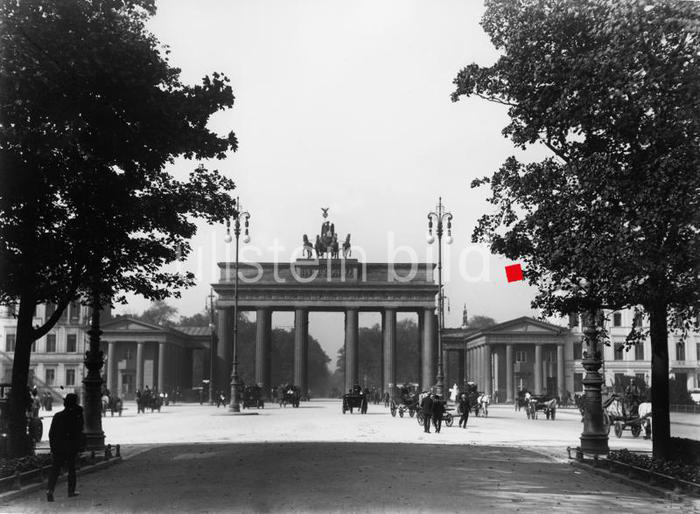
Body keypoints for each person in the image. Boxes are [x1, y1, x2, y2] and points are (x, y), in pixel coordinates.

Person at [46, 394, 84, 502]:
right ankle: (71, 491)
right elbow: (79, 430)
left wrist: (53, 447)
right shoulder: (76, 416)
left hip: (58, 447)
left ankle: (50, 490)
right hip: (71, 447)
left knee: (55, 470)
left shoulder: (58, 416)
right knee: (72, 469)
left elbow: (51, 433)